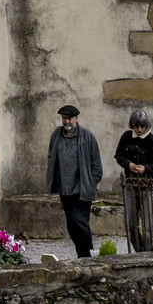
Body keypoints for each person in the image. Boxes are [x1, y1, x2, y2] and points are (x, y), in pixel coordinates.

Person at [46, 102, 103, 257]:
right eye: (64, 118)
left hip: (82, 188)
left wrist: (91, 183)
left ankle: (88, 255)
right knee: (71, 225)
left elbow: (96, 164)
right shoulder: (57, 135)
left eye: (69, 118)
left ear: (76, 118)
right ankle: (82, 254)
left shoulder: (87, 136)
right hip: (65, 189)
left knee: (80, 221)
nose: (66, 122)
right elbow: (51, 157)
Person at [115, 107, 153, 251]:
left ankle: (150, 254)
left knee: (149, 226)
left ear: (146, 126)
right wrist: (128, 164)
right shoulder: (126, 137)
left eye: (142, 126)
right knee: (130, 224)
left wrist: (146, 168)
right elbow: (119, 155)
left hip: (149, 187)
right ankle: (140, 251)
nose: (139, 129)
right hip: (131, 186)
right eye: (136, 126)